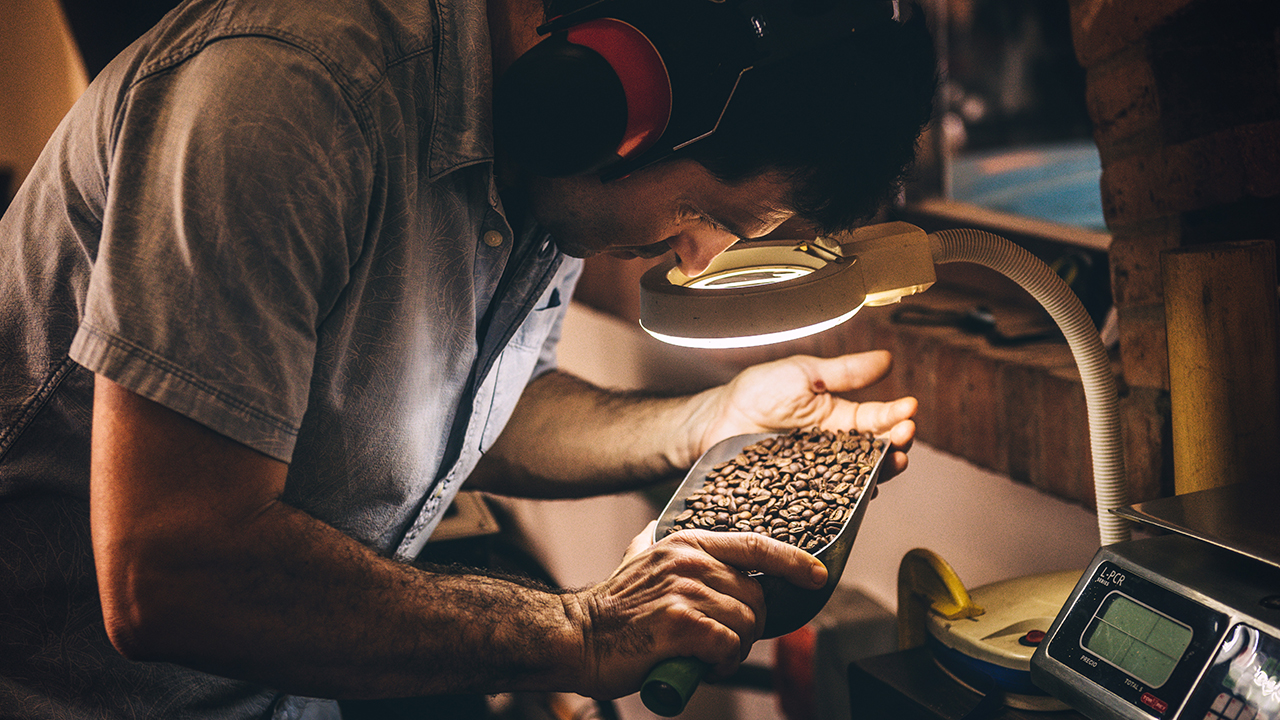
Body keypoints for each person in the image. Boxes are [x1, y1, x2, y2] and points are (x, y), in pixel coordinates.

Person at [0, 0, 937, 715]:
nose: (694, 258)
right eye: (707, 219)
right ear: (621, 97)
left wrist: (705, 422)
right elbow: (171, 568)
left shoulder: (546, 170)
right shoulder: (283, 95)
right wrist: (570, 631)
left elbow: (468, 418)